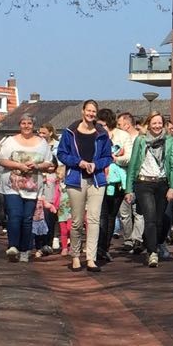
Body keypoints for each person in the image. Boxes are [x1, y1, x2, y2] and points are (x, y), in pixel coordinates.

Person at [56, 100, 113, 272]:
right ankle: (75, 256)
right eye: (88, 110)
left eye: (94, 111)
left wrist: (97, 164)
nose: (91, 114)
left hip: (96, 180)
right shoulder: (70, 132)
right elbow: (61, 154)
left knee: (94, 219)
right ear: (83, 111)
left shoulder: (102, 133)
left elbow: (108, 157)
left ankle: (91, 258)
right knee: (77, 221)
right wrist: (78, 162)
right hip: (76, 179)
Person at [126, 111, 173, 268]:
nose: (157, 126)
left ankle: (149, 241)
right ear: (148, 125)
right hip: (144, 183)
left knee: (159, 220)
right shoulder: (141, 140)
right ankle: (152, 252)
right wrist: (128, 189)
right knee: (149, 217)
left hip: (162, 183)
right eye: (154, 123)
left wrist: (172, 187)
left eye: (159, 123)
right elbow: (133, 164)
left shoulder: (169, 141)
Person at [0, 113, 55, 263]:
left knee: (27, 218)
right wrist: (18, 165)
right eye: (23, 123)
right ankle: (13, 246)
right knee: (15, 215)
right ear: (19, 125)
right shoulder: (10, 141)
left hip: (32, 187)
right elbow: (2, 160)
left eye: (29, 123)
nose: (26, 126)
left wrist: (36, 166)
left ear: (33, 125)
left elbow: (48, 162)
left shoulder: (42, 143)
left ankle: (25, 249)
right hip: (12, 185)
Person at [94, 108, 127, 264]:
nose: (101, 127)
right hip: (100, 179)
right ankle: (99, 248)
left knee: (111, 215)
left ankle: (105, 247)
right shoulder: (96, 136)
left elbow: (128, 157)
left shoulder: (123, 136)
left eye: (103, 124)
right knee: (101, 215)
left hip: (118, 181)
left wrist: (114, 158)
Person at [108, 112, 138, 251]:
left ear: (127, 125)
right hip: (122, 178)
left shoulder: (140, 138)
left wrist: (116, 159)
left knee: (137, 212)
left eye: (119, 124)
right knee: (124, 212)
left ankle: (138, 239)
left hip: (137, 178)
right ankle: (128, 239)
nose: (117, 127)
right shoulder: (118, 137)